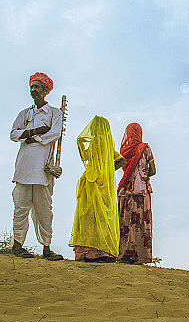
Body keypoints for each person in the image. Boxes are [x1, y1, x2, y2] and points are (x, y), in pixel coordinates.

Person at [10, 72, 64, 261]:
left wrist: (35, 138)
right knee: (21, 208)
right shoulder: (24, 113)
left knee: (44, 210)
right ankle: (17, 246)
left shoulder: (55, 113)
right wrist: (34, 131)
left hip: (42, 169)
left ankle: (46, 249)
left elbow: (55, 133)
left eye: (37, 87)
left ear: (46, 90)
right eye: (31, 87)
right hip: (24, 168)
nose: (33, 90)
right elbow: (13, 134)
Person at [70, 116, 126, 262]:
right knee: (103, 216)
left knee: (89, 216)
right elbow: (122, 160)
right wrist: (108, 170)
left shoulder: (94, 143)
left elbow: (84, 154)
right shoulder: (109, 146)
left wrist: (80, 145)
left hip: (92, 181)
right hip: (104, 183)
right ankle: (104, 252)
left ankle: (88, 252)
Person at [117, 123, 157, 264]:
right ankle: (139, 256)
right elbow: (153, 170)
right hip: (141, 190)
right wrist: (143, 175)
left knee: (125, 221)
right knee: (139, 222)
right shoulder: (145, 148)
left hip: (126, 189)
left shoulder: (124, 150)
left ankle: (123, 254)